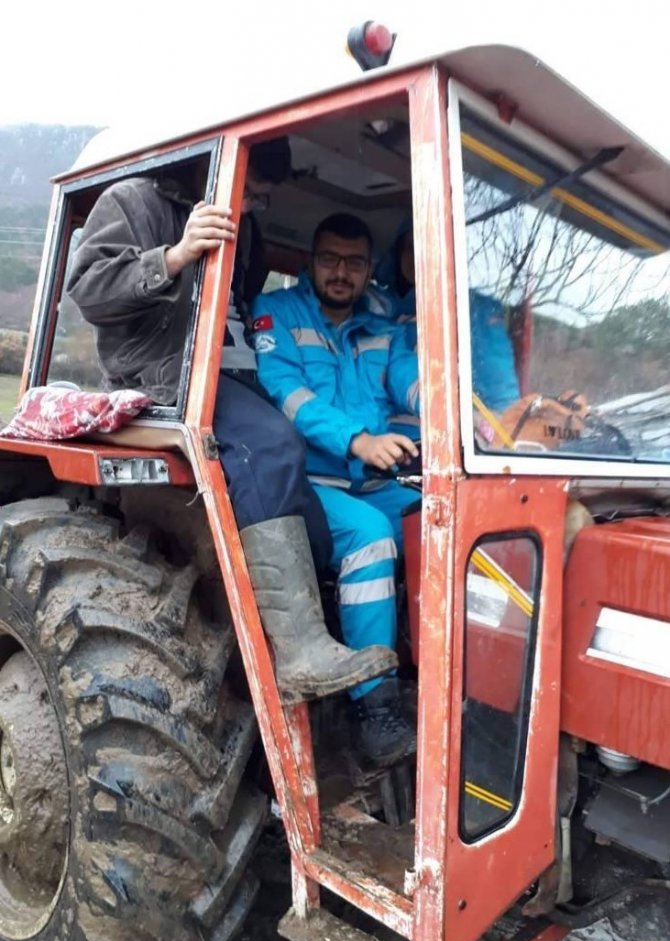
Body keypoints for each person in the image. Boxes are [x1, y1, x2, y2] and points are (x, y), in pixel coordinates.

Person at [65, 141, 396, 702]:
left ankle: (310, 627)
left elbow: (236, 305)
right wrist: (174, 256)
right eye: (247, 191)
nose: (249, 207)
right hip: (165, 376)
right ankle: (297, 652)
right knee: (269, 447)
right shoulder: (133, 201)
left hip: (232, 375)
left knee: (297, 479)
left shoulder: (248, 231)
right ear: (211, 166)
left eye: (259, 198)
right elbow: (88, 289)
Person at [251, 212, 419, 767]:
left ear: (370, 269)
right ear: (310, 262)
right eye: (329, 259)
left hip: (375, 479)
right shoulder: (277, 313)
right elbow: (289, 396)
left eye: (353, 262)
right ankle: (375, 711)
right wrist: (359, 440)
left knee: (441, 519)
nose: (340, 272)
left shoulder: (382, 323)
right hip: (310, 484)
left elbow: (408, 379)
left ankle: (435, 666)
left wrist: (466, 414)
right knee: (370, 536)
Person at [368, 222, 521, 413]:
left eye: (428, 246)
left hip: (467, 427)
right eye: (410, 248)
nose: (418, 256)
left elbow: (497, 377)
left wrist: (502, 421)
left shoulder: (470, 305)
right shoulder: (382, 309)